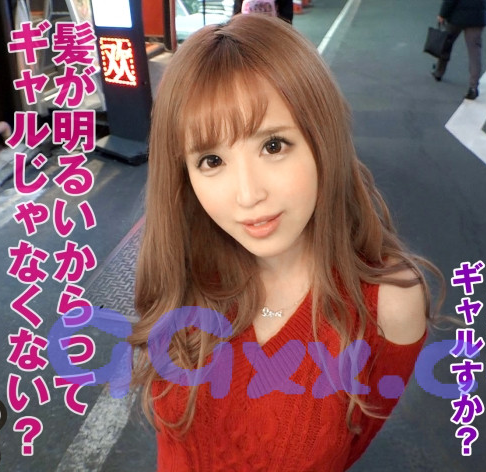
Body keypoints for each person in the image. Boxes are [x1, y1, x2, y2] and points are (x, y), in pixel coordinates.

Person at [129, 13, 440, 471]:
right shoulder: (185, 265)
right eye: (211, 160)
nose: (248, 195)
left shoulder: (388, 304)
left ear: (322, 140)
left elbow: (350, 446)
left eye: (273, 146)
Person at [432, 0, 486, 100]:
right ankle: (473, 87)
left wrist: (442, 14)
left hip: (456, 16)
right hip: (477, 17)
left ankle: (439, 71)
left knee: (446, 42)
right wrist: (483, 7)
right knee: (474, 52)